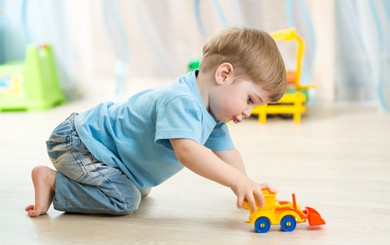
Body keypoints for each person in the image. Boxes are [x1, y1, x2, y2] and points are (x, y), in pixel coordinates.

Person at [25, 26, 287, 218]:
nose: (249, 111)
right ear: (224, 74)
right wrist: (235, 181)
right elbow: (188, 152)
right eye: (250, 99)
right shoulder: (181, 101)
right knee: (125, 200)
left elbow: (227, 153)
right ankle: (52, 182)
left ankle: (93, 182)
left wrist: (246, 183)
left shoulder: (213, 114)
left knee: (142, 190)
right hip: (79, 144)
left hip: (107, 153)